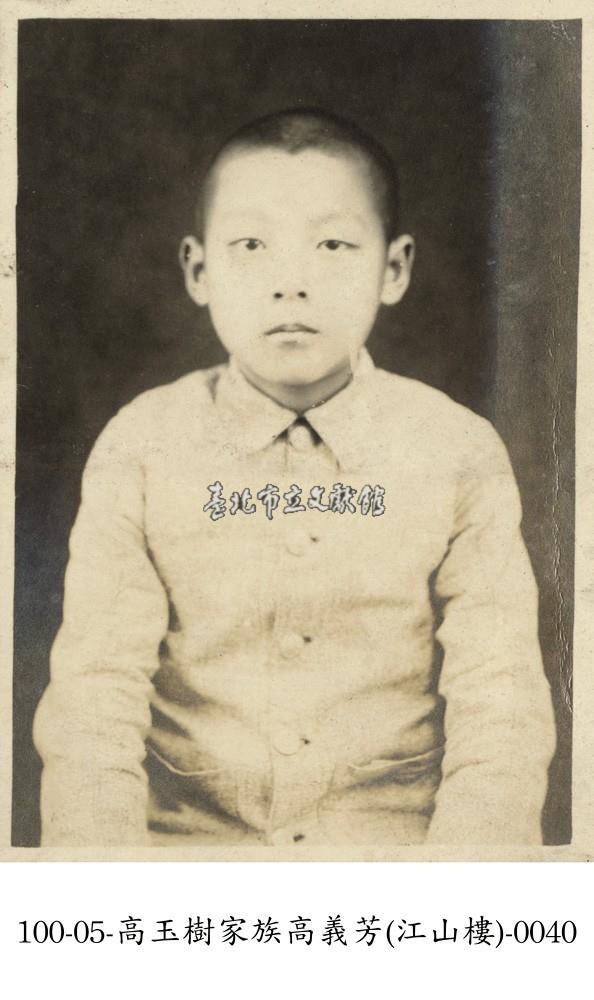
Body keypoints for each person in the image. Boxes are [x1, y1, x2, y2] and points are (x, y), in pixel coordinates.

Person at [33, 108, 556, 847]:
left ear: (395, 268)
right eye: (251, 245)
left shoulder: (456, 451)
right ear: (199, 270)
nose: (291, 284)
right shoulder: (143, 446)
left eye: (333, 244)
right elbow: (94, 704)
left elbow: (499, 706)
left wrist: (457, 892)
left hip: (393, 871)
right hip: (187, 868)